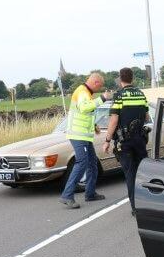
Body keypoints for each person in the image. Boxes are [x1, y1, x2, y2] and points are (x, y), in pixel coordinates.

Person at [60, 72, 111, 208]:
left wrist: (94, 125)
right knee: (82, 163)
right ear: (95, 82)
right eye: (99, 86)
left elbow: (85, 113)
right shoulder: (82, 92)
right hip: (78, 135)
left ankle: (90, 193)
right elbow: (84, 108)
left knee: (92, 164)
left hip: (84, 135)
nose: (99, 89)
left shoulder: (86, 93)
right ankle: (67, 195)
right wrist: (102, 98)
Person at [102, 67, 149, 215]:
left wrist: (107, 140)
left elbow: (114, 120)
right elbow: (147, 117)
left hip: (125, 142)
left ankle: (136, 208)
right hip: (140, 140)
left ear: (119, 79)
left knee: (130, 174)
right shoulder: (141, 94)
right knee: (143, 172)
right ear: (132, 78)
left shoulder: (119, 96)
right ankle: (149, 203)